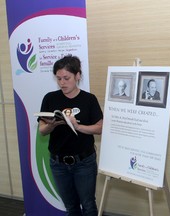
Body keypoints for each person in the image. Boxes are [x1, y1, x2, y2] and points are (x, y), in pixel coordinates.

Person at [37, 55, 103, 216]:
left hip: (84, 163)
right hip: (58, 163)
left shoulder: (89, 99)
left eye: (66, 78)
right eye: (58, 78)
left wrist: (78, 126)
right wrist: (51, 125)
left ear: (78, 75)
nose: (62, 83)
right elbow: (42, 130)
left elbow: (100, 128)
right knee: (71, 206)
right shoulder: (50, 98)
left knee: (88, 205)